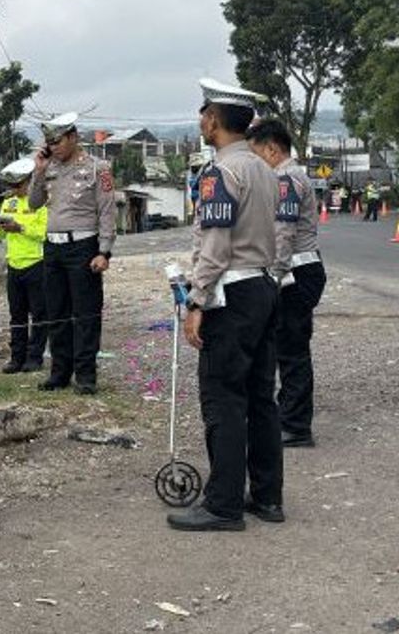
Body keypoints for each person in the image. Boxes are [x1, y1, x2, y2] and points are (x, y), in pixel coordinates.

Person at [167, 78, 282, 532]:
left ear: (213, 120)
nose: (200, 119)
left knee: (223, 399)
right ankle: (267, 496)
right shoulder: (263, 170)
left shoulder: (219, 174)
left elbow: (215, 247)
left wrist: (196, 300)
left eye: (202, 111)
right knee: (260, 398)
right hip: (263, 288)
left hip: (230, 295)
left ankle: (223, 504)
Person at [248, 119, 326, 448]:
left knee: (292, 350)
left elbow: (283, 233)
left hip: (295, 273)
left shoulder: (286, 179)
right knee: (286, 347)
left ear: (272, 149)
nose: (254, 162)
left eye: (256, 154)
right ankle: (289, 417)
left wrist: (273, 276)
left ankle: (295, 426)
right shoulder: (286, 177)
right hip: (296, 272)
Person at [29, 112, 116, 395]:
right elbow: (33, 203)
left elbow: (106, 212)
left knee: (86, 313)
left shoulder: (97, 168)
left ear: (73, 137)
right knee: (56, 313)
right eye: (49, 142)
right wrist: (39, 170)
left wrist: (105, 251)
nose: (53, 147)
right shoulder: (48, 166)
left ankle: (86, 375)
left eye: (57, 141)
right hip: (53, 247)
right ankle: (59, 372)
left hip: (83, 246)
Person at [0, 158, 49, 374]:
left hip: (36, 264)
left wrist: (21, 227)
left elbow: (45, 233)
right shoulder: (9, 203)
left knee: (39, 314)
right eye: (11, 186)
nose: (14, 190)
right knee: (17, 315)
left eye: (18, 185)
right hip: (14, 265)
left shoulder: (41, 203)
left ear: (30, 181)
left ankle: (35, 358)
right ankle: (17, 358)